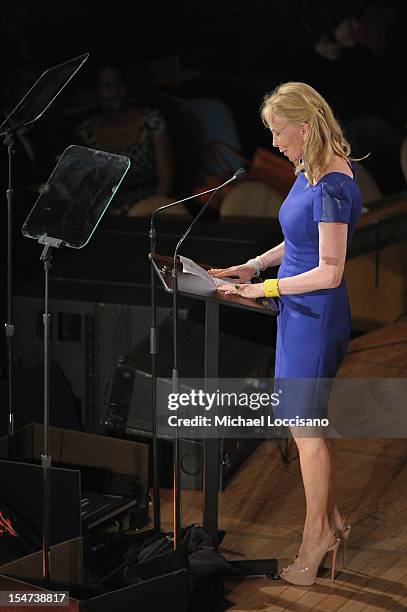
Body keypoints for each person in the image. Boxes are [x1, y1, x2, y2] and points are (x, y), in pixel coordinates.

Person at [210, 81, 362, 586]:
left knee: (307, 434)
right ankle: (333, 524)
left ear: (305, 126)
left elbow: (329, 271)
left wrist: (262, 291)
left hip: (315, 319)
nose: (275, 144)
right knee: (308, 429)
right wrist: (250, 267)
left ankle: (315, 538)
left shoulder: (335, 184)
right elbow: (296, 239)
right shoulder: (309, 169)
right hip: (296, 313)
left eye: (279, 132)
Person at [75, 63, 173, 215]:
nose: (114, 91)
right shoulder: (85, 132)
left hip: (151, 206)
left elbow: (165, 179)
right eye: (106, 86)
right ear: (95, 92)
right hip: (105, 213)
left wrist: (148, 213)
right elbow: (87, 188)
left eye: (118, 84)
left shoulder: (151, 121)